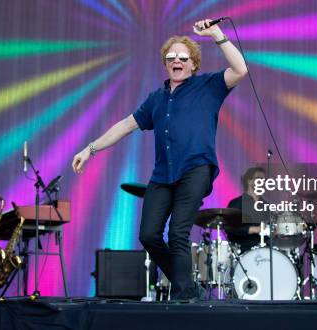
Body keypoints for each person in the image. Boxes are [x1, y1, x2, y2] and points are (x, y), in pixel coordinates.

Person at [72, 19, 247, 300]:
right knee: (149, 235)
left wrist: (216, 34)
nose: (176, 61)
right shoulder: (156, 99)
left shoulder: (208, 86)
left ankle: (184, 297)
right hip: (163, 174)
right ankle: (187, 287)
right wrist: (89, 149)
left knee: (178, 234)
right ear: (165, 64)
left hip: (196, 169)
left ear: (193, 64)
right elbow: (125, 125)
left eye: (182, 57)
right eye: (170, 58)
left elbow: (240, 69)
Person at [226, 167, 267, 252]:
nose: (262, 182)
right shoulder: (236, 203)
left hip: (264, 251)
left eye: (264, 179)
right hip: (242, 251)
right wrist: (255, 229)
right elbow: (230, 228)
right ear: (249, 181)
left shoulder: (266, 205)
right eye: (259, 179)